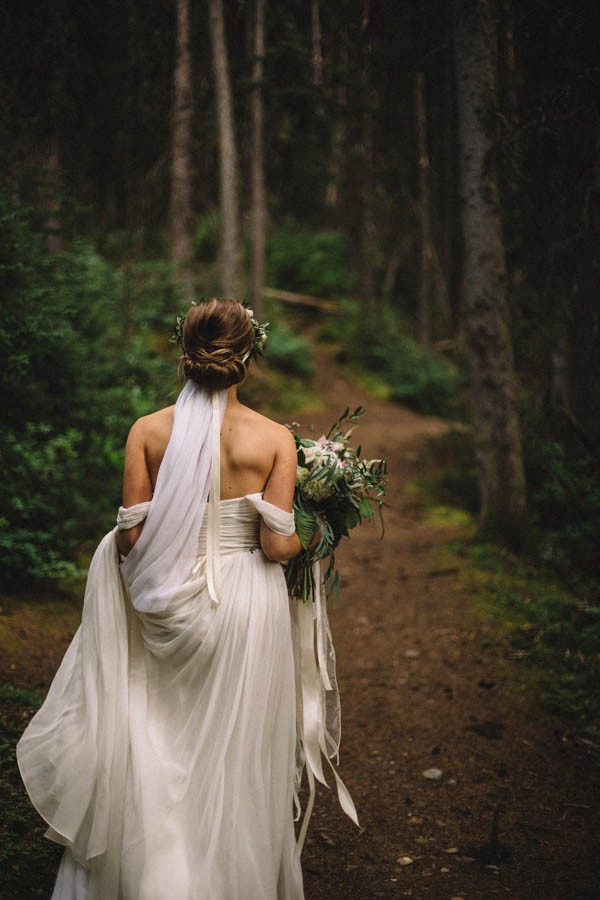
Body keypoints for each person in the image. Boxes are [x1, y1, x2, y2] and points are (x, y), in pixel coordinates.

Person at [18, 298, 320, 899]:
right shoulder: (274, 438)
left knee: (157, 733)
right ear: (248, 357)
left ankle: (154, 874)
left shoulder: (149, 431)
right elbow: (277, 545)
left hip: (165, 600)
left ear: (184, 353)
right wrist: (312, 532)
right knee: (234, 747)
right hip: (245, 604)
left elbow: (131, 537)